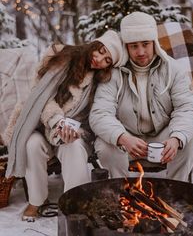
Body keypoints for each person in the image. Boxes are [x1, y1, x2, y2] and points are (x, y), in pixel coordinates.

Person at [4, 30, 124, 220]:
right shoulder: (58, 56)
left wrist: (72, 130)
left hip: (75, 130)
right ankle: (36, 201)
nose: (99, 59)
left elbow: (93, 115)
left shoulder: (100, 81)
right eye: (100, 51)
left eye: (107, 59)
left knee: (74, 147)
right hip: (40, 123)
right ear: (94, 44)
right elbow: (40, 98)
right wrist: (56, 121)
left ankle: (75, 204)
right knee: (32, 144)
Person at [89, 11, 193, 181]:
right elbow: (100, 113)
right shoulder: (113, 74)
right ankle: (120, 193)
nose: (140, 52)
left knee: (189, 140)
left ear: (154, 43)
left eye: (145, 44)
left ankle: (175, 192)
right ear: (126, 46)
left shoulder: (173, 69)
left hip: (162, 138)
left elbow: (187, 107)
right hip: (127, 139)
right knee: (105, 145)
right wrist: (122, 137)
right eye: (134, 45)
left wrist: (176, 138)